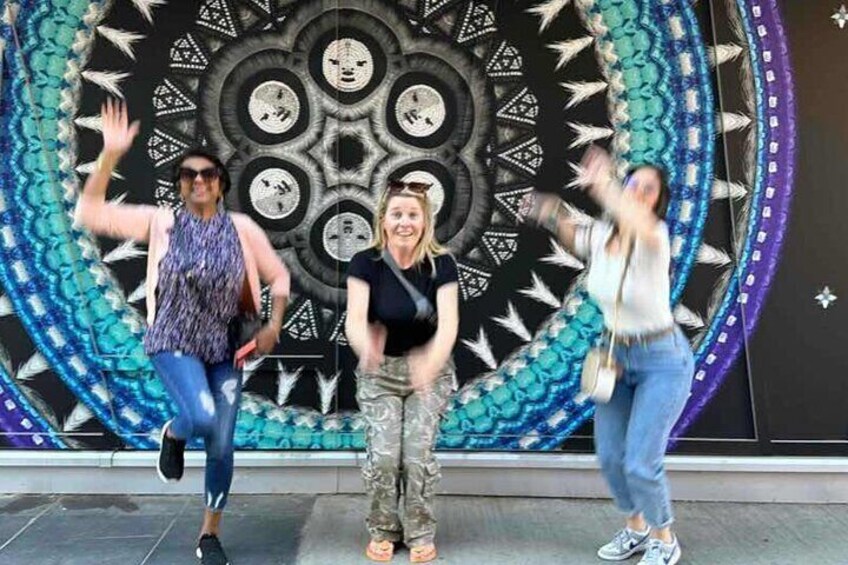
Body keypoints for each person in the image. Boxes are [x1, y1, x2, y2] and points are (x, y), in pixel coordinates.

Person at [74, 99, 290, 565]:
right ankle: (174, 433)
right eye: (188, 175)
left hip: (226, 348)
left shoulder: (242, 228)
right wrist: (110, 155)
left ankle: (209, 534)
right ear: (179, 185)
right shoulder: (162, 223)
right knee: (203, 418)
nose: (198, 180)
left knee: (222, 443)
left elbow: (280, 277)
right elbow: (89, 213)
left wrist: (273, 325)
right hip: (173, 340)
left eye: (207, 174)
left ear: (221, 183)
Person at [521, 146, 694, 565]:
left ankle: (664, 536)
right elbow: (572, 233)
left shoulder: (654, 237)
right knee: (612, 456)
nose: (637, 192)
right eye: (634, 183)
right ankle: (635, 528)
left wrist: (604, 184)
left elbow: (633, 215)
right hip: (615, 355)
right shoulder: (601, 236)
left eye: (648, 189)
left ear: (657, 203)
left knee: (640, 461)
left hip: (663, 360)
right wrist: (548, 209)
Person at [345, 179, 459, 563]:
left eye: (412, 215)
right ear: (383, 220)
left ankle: (420, 530)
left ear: (425, 221)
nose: (404, 222)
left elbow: (449, 325)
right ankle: (383, 529)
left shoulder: (442, 264)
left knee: (416, 456)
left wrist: (431, 361)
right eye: (396, 214)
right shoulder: (365, 263)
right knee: (383, 457)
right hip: (380, 374)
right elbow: (355, 320)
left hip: (430, 372)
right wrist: (366, 347)